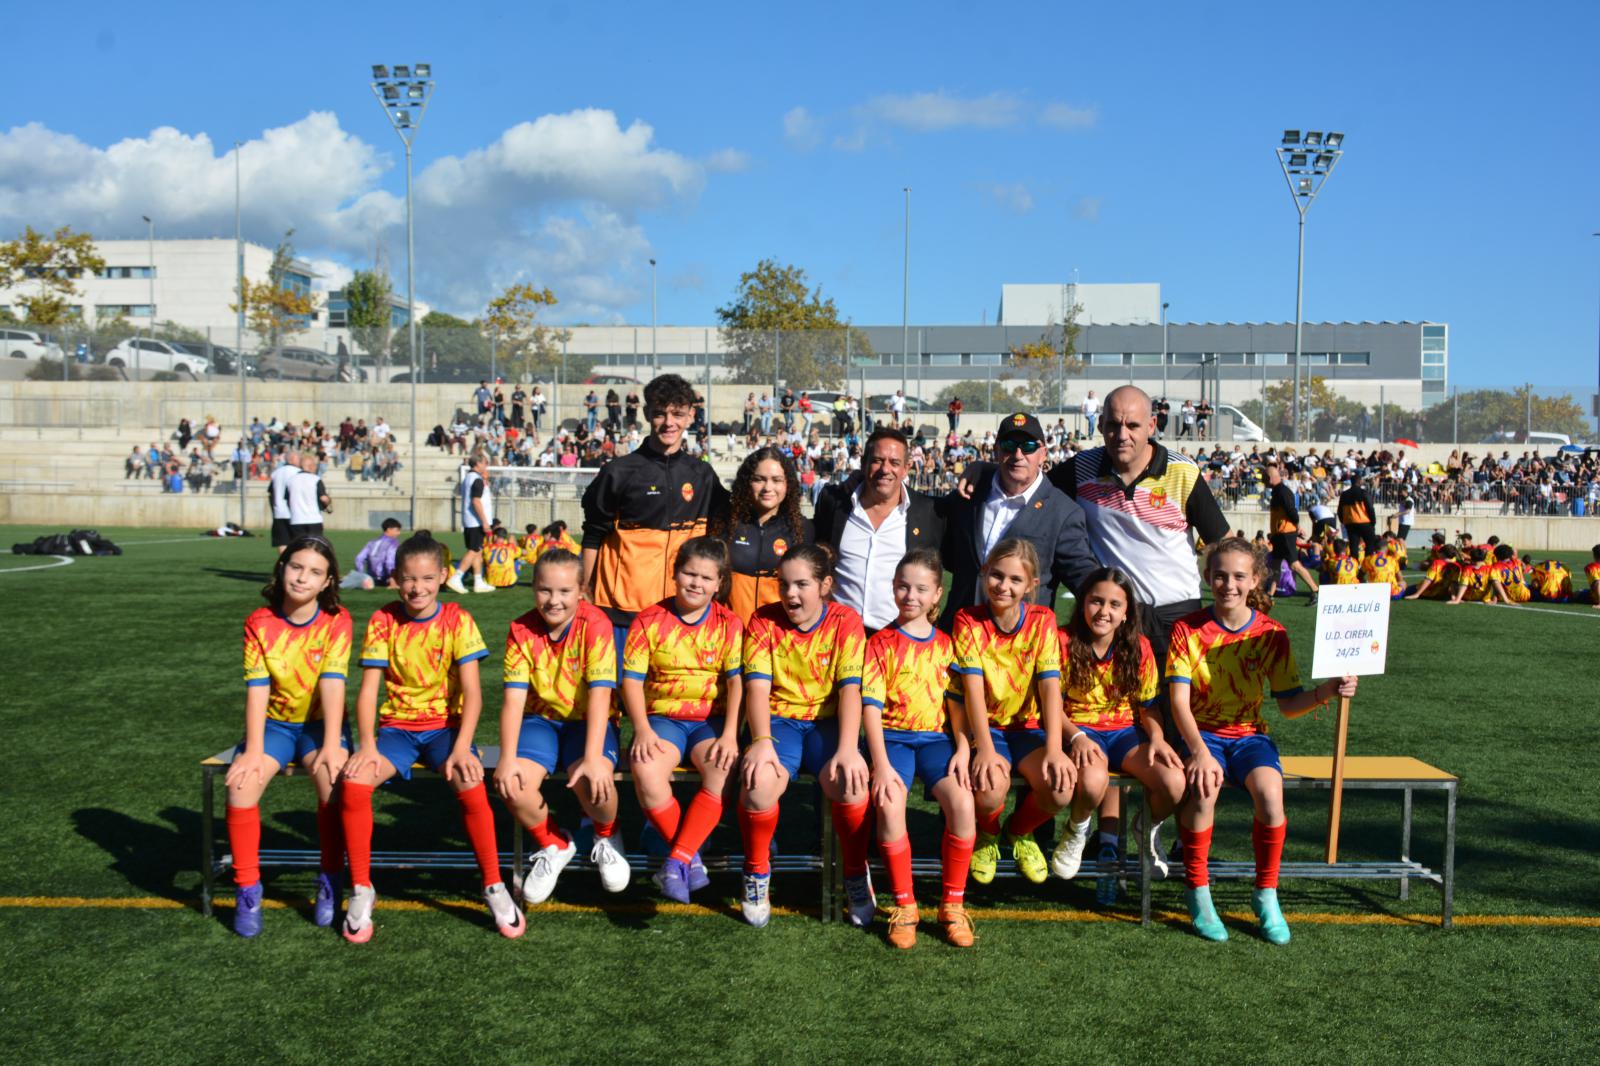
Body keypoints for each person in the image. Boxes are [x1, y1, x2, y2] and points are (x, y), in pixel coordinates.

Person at [1156, 537, 1358, 944]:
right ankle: (1198, 891)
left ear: (1255, 580)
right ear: (1207, 577)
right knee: (1204, 791)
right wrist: (1198, 752)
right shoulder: (1187, 629)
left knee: (1270, 794)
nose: (1228, 585)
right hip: (1201, 735)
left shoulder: (1271, 633)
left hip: (1249, 736)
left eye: (1238, 576)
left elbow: (1288, 704)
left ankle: (1266, 893)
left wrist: (1328, 691)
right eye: (1220, 576)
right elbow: (1178, 702)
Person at [339, 534, 516, 942]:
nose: (417, 588)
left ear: (443, 577)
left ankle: (493, 885)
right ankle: (362, 887)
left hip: (445, 730)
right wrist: (367, 745)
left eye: (427, 578)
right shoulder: (384, 620)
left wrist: (462, 747)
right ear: (395, 578)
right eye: (408, 578)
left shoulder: (457, 619)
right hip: (396, 732)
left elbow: (473, 692)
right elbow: (368, 691)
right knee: (354, 784)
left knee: (471, 782)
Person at [737, 544, 872, 929]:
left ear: (825, 585)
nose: (790, 593)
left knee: (850, 781)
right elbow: (757, 688)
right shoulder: (763, 620)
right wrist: (761, 741)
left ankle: (855, 873)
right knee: (759, 782)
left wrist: (848, 748)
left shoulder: (846, 620)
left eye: (801, 584)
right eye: (784, 584)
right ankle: (756, 871)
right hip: (780, 721)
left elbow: (851, 690)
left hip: (827, 723)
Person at [226, 537, 351, 937]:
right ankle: (248, 889)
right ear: (282, 568)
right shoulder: (259, 622)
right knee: (241, 786)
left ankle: (330, 879)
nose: (302, 578)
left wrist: (331, 744)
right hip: (276, 726)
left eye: (315, 572)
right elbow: (257, 689)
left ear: (327, 581)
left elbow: (333, 683)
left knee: (332, 780)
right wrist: (253, 749)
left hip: (320, 725)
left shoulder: (337, 620)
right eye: (296, 567)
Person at [493, 548, 631, 905]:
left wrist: (593, 758)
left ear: (581, 591)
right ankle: (554, 843)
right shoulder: (521, 629)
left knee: (594, 778)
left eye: (564, 591)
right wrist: (506, 758)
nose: (553, 600)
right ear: (533, 588)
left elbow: (600, 695)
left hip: (588, 721)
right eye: (544, 590)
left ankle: (607, 834)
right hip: (542, 722)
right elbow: (513, 701)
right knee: (513, 785)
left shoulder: (595, 623)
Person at [862, 548, 977, 949]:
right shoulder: (879, 643)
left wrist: (962, 748)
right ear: (893, 588)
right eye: (903, 586)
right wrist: (880, 764)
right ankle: (906, 906)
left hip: (935, 740)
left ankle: (952, 905)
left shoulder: (947, 645)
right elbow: (871, 709)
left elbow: (957, 706)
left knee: (963, 803)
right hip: (893, 739)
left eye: (921, 589)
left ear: (937, 595)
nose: (910, 595)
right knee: (890, 803)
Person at [1048, 567, 1187, 895]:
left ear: (1127, 612)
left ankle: (1147, 828)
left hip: (1125, 732)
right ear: (1083, 603)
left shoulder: (1139, 646)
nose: (1104, 611)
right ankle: (1076, 830)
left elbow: (1148, 706)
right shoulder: (1062, 641)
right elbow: (1051, 706)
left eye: (1114, 604)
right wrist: (1076, 737)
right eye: (1096, 601)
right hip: (1080, 729)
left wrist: (1157, 738)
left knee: (1174, 781)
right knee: (1093, 781)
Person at [621, 538, 744, 902]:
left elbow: (737, 683)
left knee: (723, 767)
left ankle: (676, 861)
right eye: (689, 574)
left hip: (710, 721)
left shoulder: (729, 623)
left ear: (719, 583)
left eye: (706, 578)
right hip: (663, 719)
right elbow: (631, 681)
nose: (696, 583)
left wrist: (731, 735)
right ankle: (690, 859)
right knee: (646, 769)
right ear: (675, 574)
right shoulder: (648, 620)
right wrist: (641, 729)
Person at [580, 374, 731, 659]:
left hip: (681, 613)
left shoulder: (702, 474)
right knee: (621, 687)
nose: (669, 422)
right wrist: (584, 590)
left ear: (691, 415)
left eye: (677, 414)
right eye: (660, 413)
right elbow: (592, 536)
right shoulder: (618, 472)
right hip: (622, 614)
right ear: (648, 413)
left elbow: (729, 520)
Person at [952, 538, 1070, 887]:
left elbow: (1050, 688)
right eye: (997, 575)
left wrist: (1054, 748)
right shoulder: (967, 620)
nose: (1003, 586)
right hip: (987, 728)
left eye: (1015, 580)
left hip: (1028, 728)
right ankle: (988, 834)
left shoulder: (1043, 620)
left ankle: (1018, 831)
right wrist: (985, 749)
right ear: (984, 572)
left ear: (1031, 585)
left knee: (1060, 788)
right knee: (990, 789)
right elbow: (973, 691)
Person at [937, 413, 1097, 630]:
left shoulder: (1063, 512)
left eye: (1028, 446)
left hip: (1020, 642)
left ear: (1043, 454)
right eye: (1009, 445)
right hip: (959, 634)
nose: (1018, 454)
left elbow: (1082, 575)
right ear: (996, 450)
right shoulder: (970, 492)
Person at [812, 427, 944, 635]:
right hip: (837, 635)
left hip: (898, 639)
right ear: (864, 463)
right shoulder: (834, 502)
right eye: (877, 460)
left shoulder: (930, 512)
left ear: (906, 468)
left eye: (894, 462)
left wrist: (982, 468)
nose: (885, 469)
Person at [727, 446, 813, 624]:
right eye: (759, 479)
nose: (768, 487)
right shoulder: (726, 523)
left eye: (776, 480)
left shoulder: (802, 529)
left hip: (778, 635)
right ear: (747, 482)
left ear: (788, 484)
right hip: (730, 633)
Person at [1265, 462, 1320, 603]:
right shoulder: (1277, 491)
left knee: (1294, 564)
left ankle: (1315, 591)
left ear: (1270, 478)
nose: (1263, 481)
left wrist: (1296, 527)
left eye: (1265, 478)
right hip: (1279, 535)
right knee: (1275, 565)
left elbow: (1292, 512)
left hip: (1285, 534)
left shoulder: (1283, 492)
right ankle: (1270, 594)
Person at [447, 453, 494, 595]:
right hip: (476, 522)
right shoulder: (476, 480)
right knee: (473, 550)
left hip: (471, 521)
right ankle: (456, 577)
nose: (486, 465)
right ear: (478, 463)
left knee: (477, 551)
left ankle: (478, 581)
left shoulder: (469, 478)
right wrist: (484, 522)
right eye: (485, 462)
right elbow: (476, 501)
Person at [342, 518, 403, 589]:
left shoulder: (372, 542)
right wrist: (393, 581)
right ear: (389, 529)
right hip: (386, 579)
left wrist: (361, 576)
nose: (399, 533)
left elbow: (359, 559)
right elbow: (389, 563)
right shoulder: (393, 543)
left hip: (372, 579)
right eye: (397, 530)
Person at [285, 452, 330, 540]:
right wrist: (328, 502)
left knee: (299, 546)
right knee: (314, 545)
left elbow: (287, 500)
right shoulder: (316, 479)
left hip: (296, 520)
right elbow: (324, 498)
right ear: (310, 466)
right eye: (315, 465)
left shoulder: (290, 480)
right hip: (314, 519)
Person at [1338, 474, 1381, 558]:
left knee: (1353, 546)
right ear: (1360, 481)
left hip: (1350, 523)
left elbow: (1340, 510)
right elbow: (1370, 508)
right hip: (1364, 522)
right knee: (1370, 544)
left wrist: (1343, 521)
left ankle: (1354, 563)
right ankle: (1367, 562)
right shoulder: (1364, 493)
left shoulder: (1344, 494)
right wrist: (1373, 521)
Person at [267, 448, 301, 554]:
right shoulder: (298, 472)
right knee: (297, 541)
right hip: (295, 512)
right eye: (298, 458)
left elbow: (271, 492)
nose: (300, 460)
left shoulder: (276, 473)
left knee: (282, 541)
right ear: (292, 459)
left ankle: (284, 561)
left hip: (279, 512)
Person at [483, 525, 522, 589]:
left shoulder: (486, 548)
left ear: (495, 536)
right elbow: (522, 552)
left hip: (490, 583)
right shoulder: (511, 548)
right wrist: (512, 542)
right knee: (517, 559)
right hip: (509, 583)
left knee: (483, 560)